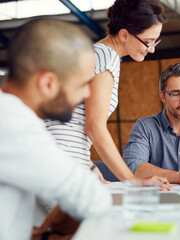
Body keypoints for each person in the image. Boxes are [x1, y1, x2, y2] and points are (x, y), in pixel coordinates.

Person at [0, 19, 111, 240]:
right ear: (48, 83)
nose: (87, 95)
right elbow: (93, 198)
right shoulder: (13, 123)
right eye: (82, 84)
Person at [44, 0, 170, 187]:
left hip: (58, 160)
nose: (152, 49)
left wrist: (92, 169)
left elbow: (68, 121)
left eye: (155, 42)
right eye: (148, 42)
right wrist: (132, 180)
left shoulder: (93, 53)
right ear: (124, 34)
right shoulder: (106, 58)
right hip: (62, 166)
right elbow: (94, 127)